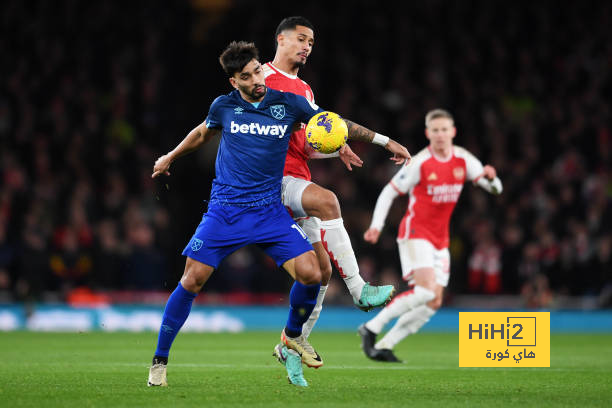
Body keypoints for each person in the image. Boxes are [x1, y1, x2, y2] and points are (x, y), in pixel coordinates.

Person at [148, 41, 333, 387]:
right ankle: (160, 360)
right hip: (226, 212)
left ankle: (293, 335)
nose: (257, 79)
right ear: (234, 82)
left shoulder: (288, 103)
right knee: (192, 281)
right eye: (246, 76)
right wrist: (170, 156)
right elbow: (203, 132)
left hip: (269, 213)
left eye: (258, 70)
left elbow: (326, 123)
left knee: (312, 273)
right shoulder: (224, 106)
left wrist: (365, 141)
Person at [265, 16, 411, 382]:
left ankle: (291, 346)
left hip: (296, 177)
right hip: (270, 181)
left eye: (311, 42)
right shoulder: (262, 80)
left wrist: (335, 150)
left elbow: (310, 143)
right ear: (280, 39)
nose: (306, 47)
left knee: (321, 271)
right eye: (301, 39)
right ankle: (360, 289)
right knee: (329, 201)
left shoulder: (306, 91)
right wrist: (383, 140)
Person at [358, 109, 503, 362]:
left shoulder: (464, 160)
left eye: (444, 129)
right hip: (415, 233)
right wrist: (377, 225)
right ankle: (371, 327)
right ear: (428, 133)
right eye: (435, 130)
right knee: (425, 291)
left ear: (453, 132)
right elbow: (390, 191)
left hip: (440, 239)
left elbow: (495, 189)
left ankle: (386, 345)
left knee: (434, 301)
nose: (440, 135)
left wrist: (492, 178)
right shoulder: (421, 162)